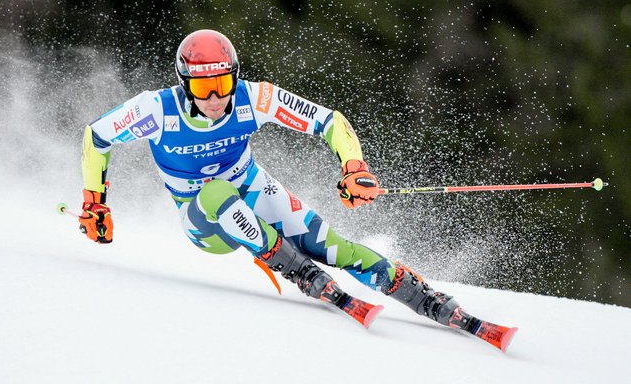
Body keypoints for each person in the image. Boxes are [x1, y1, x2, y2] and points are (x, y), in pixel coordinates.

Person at [78, 29, 515, 347]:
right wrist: (95, 203)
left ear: (235, 78)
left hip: (251, 185)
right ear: (184, 84)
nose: (215, 98)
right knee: (214, 194)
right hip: (203, 219)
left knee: (333, 246)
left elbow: (330, 121)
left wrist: (353, 166)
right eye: (203, 87)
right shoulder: (156, 109)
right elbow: (95, 138)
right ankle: (299, 272)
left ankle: (424, 297)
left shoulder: (254, 98)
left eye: (223, 85)